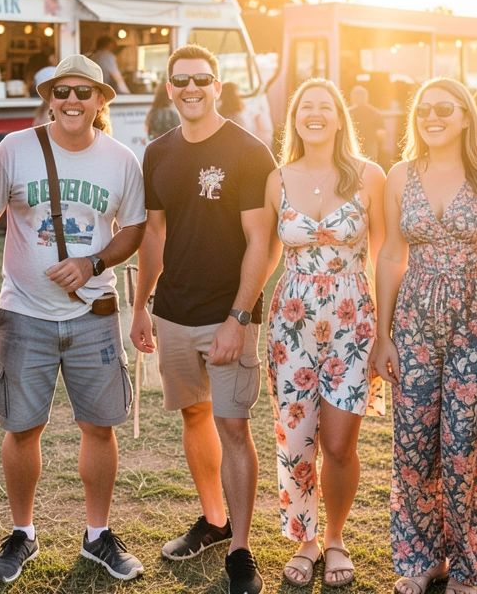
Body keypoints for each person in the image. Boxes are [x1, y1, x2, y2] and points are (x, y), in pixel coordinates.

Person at [0, 55, 146, 582]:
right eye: (61, 91)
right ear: (49, 97)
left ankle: (98, 536)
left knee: (98, 427)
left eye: (83, 92)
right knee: (23, 428)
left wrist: (93, 261)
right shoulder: (15, 149)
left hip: (94, 314)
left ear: (100, 101)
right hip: (24, 314)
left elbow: (134, 228)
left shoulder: (121, 160)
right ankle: (22, 533)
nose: (71, 101)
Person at [130, 44, 278, 594]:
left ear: (218, 86)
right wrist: (143, 304)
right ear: (169, 88)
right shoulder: (157, 153)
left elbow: (262, 243)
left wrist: (239, 317)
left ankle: (240, 551)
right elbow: (154, 233)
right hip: (173, 311)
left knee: (233, 426)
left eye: (202, 79)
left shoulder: (248, 151)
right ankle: (213, 521)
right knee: (195, 416)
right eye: (180, 80)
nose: (191, 89)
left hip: (228, 314)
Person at [371, 77, 477, 594]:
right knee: (412, 444)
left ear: (464, 117)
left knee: (462, 448)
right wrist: (382, 333)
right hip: (411, 324)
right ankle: (421, 556)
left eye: (445, 109)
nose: (433, 116)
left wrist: (473, 282)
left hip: (476, 328)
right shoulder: (400, 174)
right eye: (425, 109)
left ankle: (466, 564)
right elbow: (390, 254)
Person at [266, 78, 386, 588]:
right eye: (305, 107)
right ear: (295, 118)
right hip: (291, 320)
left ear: (340, 118)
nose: (314, 114)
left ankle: (335, 536)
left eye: (324, 107)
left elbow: (384, 253)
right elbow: (267, 252)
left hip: (352, 320)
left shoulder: (369, 175)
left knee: (338, 443)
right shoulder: (276, 179)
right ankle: (306, 540)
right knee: (296, 439)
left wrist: (383, 326)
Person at [351, 85, 390, 163]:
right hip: (370, 148)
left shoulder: (348, 113)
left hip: (351, 146)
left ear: (353, 98)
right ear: (366, 98)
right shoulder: (375, 113)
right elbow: (381, 135)